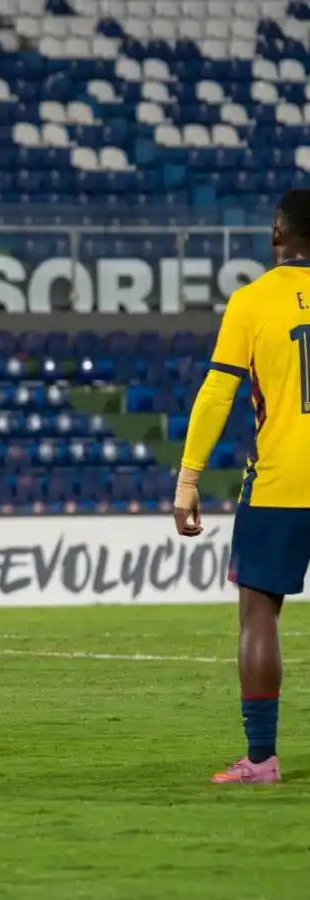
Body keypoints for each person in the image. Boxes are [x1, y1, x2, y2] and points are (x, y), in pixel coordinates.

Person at [173, 188, 310, 785]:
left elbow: (217, 393)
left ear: (279, 230)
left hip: (282, 481)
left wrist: (188, 480)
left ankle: (261, 760)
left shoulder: (251, 302)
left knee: (259, 612)